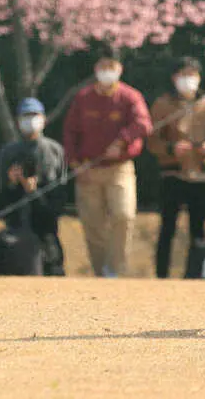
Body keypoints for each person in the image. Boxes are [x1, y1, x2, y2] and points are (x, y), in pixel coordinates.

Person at [62, 56, 153, 278]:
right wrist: (74, 163)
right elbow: (70, 132)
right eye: (102, 67)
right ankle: (101, 271)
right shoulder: (83, 98)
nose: (107, 72)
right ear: (96, 69)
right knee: (93, 223)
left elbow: (143, 124)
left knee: (123, 215)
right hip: (88, 169)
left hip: (119, 168)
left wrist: (122, 141)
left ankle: (116, 269)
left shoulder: (130, 96)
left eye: (111, 67)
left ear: (119, 69)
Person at [147, 57, 205, 278]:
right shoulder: (162, 104)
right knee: (167, 227)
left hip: (200, 175)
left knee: (198, 231)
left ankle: (194, 274)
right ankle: (161, 275)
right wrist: (171, 149)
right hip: (172, 173)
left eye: (192, 75)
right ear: (174, 78)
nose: (188, 80)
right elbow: (152, 141)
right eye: (183, 75)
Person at [0, 98, 68, 276]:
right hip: (15, 232)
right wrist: (11, 184)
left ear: (43, 119)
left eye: (34, 115)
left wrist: (35, 193)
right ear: (18, 121)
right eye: (25, 116)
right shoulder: (7, 153)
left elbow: (59, 202)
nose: (30, 120)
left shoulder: (55, 151)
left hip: (46, 235)